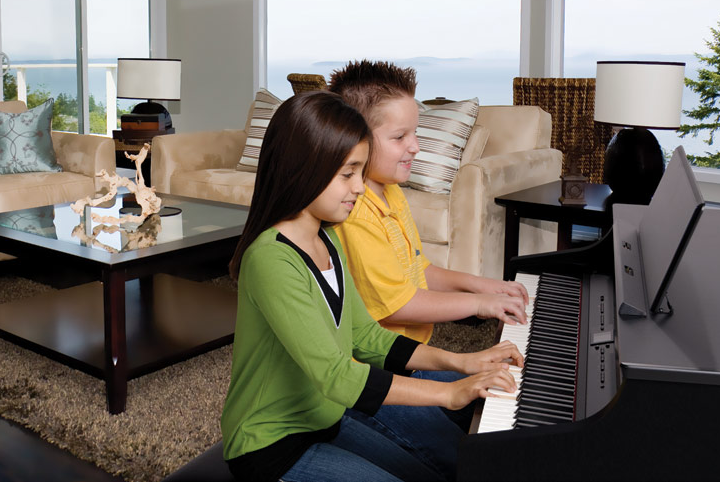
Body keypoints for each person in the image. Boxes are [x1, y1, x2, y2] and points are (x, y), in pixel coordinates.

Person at [220, 91, 523, 482]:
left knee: (448, 470)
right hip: (271, 446)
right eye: (347, 174)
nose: (360, 188)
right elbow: (336, 375)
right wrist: (450, 392)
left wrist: (461, 361)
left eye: (360, 173)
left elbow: (367, 338)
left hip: (324, 419)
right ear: (304, 168)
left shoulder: (327, 238)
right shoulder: (270, 259)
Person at [326, 60, 532, 471]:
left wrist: (485, 287)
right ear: (357, 141)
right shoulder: (355, 212)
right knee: (460, 457)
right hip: (377, 368)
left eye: (415, 133)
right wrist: (480, 305)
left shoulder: (391, 193)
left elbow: (419, 268)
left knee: (488, 402)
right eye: (400, 136)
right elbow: (397, 305)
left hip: (414, 356)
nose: (415, 146)